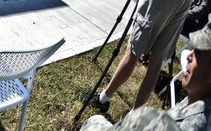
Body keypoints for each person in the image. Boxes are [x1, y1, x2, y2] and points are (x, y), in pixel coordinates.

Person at [82, 18, 211, 130]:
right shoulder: (199, 100)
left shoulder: (188, 124)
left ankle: (103, 103)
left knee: (94, 121)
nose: (189, 56)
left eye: (198, 53)